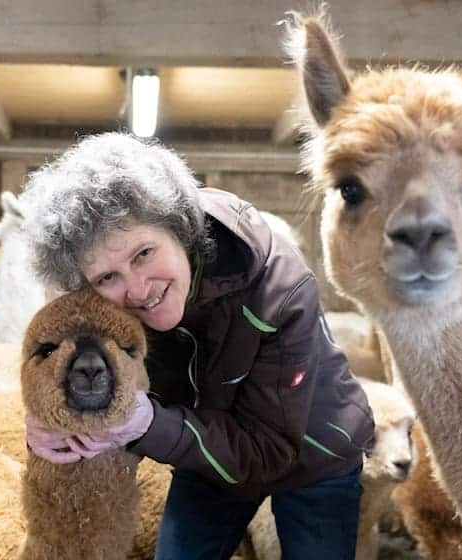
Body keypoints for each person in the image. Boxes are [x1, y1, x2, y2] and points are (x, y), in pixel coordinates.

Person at [23, 132, 375, 559]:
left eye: (144, 253)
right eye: (106, 277)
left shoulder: (280, 291)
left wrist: (146, 424)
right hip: (205, 449)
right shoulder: (112, 312)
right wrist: (51, 425)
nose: (137, 289)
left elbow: (270, 452)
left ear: (180, 228)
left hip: (314, 455)